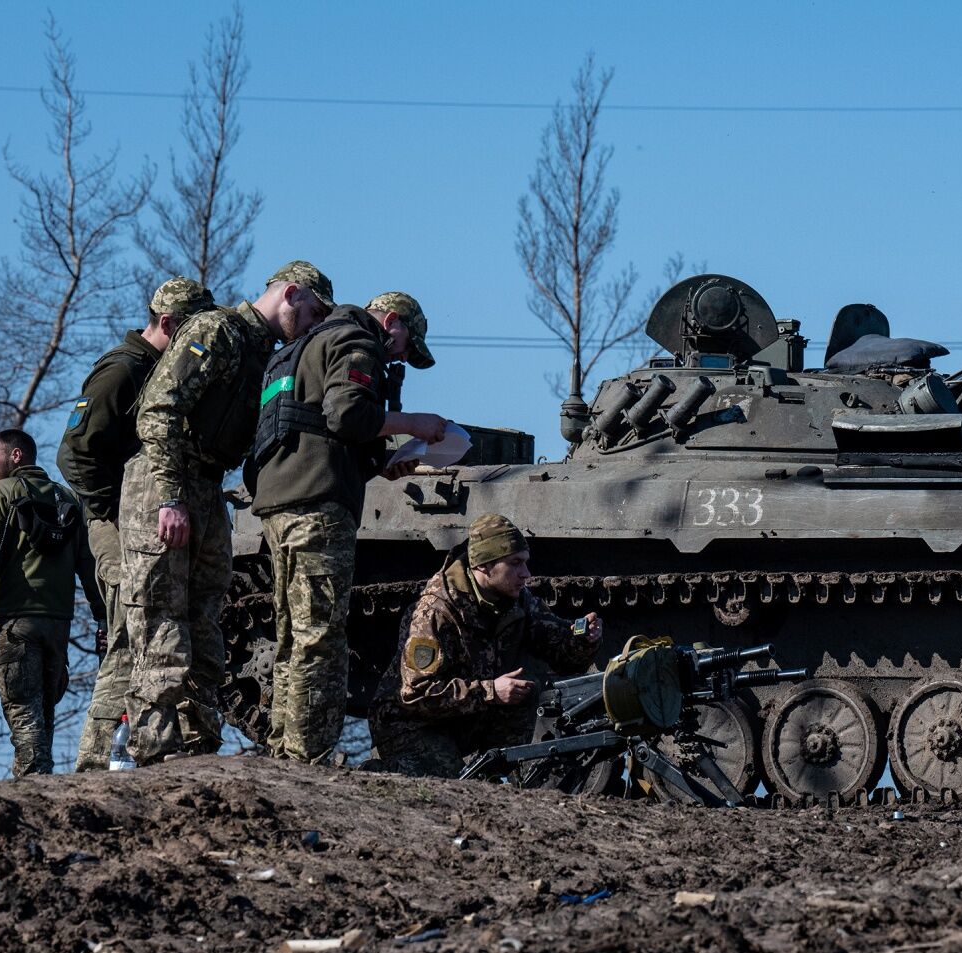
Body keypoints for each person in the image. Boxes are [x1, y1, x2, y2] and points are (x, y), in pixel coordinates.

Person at [121, 260, 335, 765]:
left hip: (208, 486)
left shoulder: (266, 355)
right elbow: (159, 409)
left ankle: (198, 743)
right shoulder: (216, 329)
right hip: (166, 480)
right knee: (160, 614)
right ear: (291, 293)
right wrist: (170, 497)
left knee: (205, 618)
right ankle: (156, 747)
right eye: (314, 311)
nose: (314, 323)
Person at [247, 290, 454, 763]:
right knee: (320, 636)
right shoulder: (356, 340)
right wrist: (414, 423)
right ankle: (308, 755)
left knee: (293, 635)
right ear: (391, 320)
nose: (398, 357)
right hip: (318, 504)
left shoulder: (303, 346)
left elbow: (312, 425)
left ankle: (284, 748)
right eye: (404, 345)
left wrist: (380, 464)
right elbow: (347, 415)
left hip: (281, 502)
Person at [56, 276, 214, 771]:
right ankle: (95, 760)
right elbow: (74, 454)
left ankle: (130, 753)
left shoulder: (156, 370)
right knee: (129, 633)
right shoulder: (124, 370)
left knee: (147, 633)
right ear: (167, 323)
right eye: (190, 330)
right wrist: (115, 512)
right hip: (115, 524)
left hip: (136, 519)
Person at [369, 514, 602, 775]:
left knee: (524, 692)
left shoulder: (517, 601)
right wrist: (491, 691)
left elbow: (561, 653)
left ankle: (501, 775)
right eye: (515, 563)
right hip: (410, 723)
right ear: (484, 566)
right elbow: (415, 694)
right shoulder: (436, 612)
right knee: (450, 784)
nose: (526, 574)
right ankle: (377, 772)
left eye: (525, 562)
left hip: (463, 716)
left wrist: (583, 640)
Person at [0, 429, 105, 778]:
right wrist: (103, 616)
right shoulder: (67, 498)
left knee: (22, 705)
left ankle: (33, 778)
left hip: (18, 621)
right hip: (59, 622)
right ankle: (42, 778)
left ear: (15, 456)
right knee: (44, 706)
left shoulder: (1, 493)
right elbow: (88, 565)